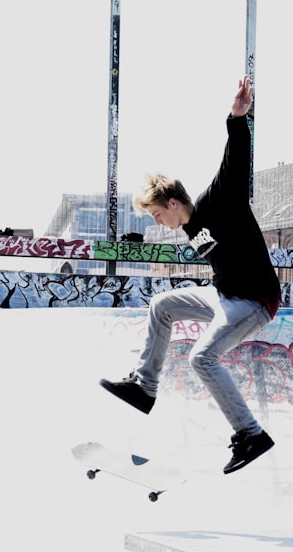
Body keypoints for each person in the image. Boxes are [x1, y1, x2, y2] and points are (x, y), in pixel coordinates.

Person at [99, 76, 279, 475]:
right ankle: (144, 387)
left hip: (255, 300)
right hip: (224, 295)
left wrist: (237, 118)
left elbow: (235, 163)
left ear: (174, 202)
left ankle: (250, 434)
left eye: (157, 214)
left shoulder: (218, 202)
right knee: (162, 305)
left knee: (203, 357)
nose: (158, 222)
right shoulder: (189, 226)